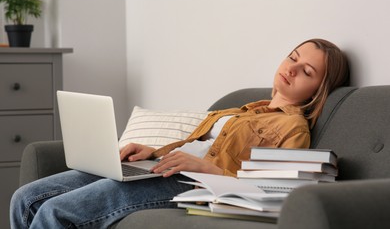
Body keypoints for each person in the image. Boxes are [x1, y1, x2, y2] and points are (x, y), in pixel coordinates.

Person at [10, 38, 350, 228]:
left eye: (305, 71)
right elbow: (200, 145)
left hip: (191, 183)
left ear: (318, 90)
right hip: (164, 167)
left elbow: (277, 190)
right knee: (24, 198)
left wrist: (210, 170)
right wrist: (151, 151)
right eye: (291, 57)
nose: (290, 68)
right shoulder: (245, 108)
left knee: (56, 212)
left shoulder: (293, 127)